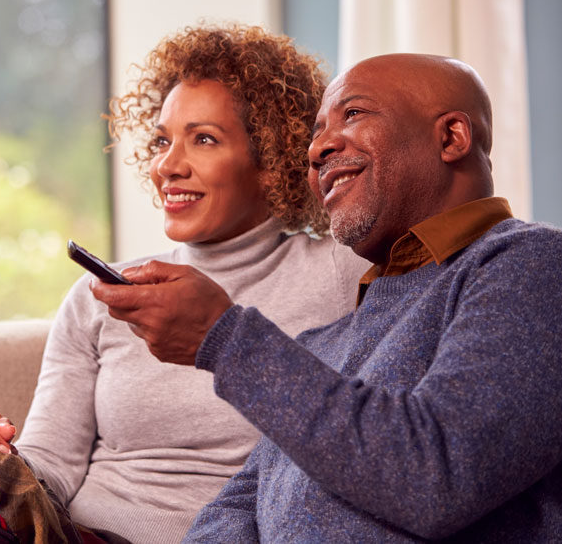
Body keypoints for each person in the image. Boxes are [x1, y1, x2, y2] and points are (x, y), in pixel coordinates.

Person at [0, 24, 369, 544]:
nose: (168, 165)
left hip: (206, 534)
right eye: (163, 140)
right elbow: (52, 464)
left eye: (203, 139)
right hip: (79, 534)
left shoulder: (343, 275)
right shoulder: (100, 298)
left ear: (272, 160)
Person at [92, 53, 562, 542]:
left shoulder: (532, 266)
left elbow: (438, 476)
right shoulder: (324, 342)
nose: (317, 148)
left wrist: (225, 338)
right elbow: (235, 508)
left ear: (451, 138)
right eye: (317, 130)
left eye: (353, 114)